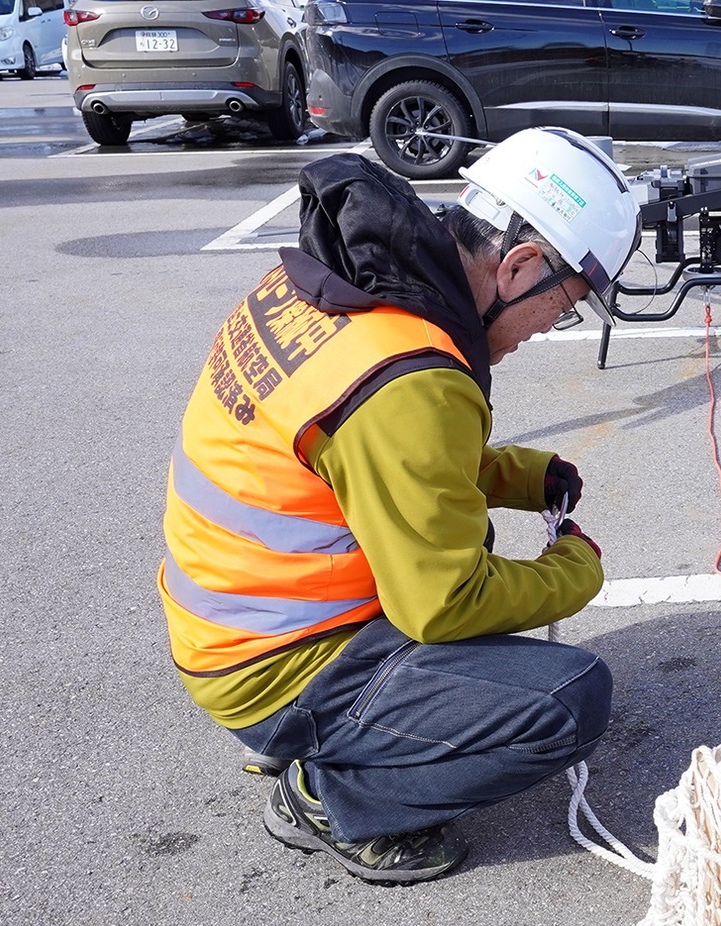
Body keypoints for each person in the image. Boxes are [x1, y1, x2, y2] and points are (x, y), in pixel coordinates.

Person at [158, 132, 640, 883]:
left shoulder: (345, 278)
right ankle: (333, 791)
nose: (549, 328)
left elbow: (382, 456)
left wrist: (520, 476)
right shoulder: (413, 376)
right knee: (570, 701)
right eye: (564, 306)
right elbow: (443, 604)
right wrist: (574, 571)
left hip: (234, 624)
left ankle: (354, 728)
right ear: (519, 265)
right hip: (277, 666)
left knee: (460, 534)